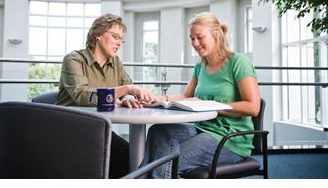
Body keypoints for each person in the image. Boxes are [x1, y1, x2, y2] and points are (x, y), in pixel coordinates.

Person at [141, 12, 261, 178]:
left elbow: (253, 107)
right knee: (158, 131)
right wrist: (160, 99)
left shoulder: (239, 62)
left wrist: (211, 105)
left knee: (164, 161)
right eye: (192, 38)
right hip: (202, 129)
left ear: (216, 35)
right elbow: (186, 96)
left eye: (199, 37)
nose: (195, 43)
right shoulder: (200, 66)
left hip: (229, 139)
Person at [56, 13, 156, 178]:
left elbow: (126, 91)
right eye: (115, 36)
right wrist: (126, 90)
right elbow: (82, 95)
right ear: (97, 35)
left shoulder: (115, 62)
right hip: (70, 131)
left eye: (121, 39)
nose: (119, 43)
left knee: (133, 158)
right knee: (124, 161)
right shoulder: (74, 59)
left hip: (98, 130)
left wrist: (129, 99)